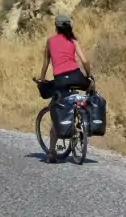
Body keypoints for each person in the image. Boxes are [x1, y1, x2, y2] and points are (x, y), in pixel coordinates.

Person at [38, 14, 94, 163]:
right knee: (90, 88)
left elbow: (45, 64)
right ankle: (84, 116)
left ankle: (51, 152)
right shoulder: (73, 40)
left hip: (61, 80)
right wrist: (89, 77)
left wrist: (42, 80)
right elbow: (85, 61)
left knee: (56, 110)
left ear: (56, 27)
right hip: (77, 76)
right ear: (69, 26)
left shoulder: (50, 41)